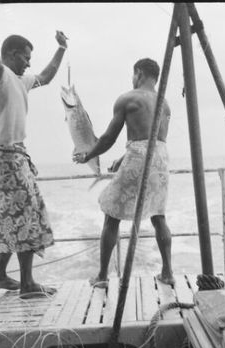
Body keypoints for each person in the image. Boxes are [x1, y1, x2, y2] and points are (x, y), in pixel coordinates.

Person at [0, 13, 68, 298]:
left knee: (12, 214)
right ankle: (28, 284)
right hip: (7, 156)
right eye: (25, 57)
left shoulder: (22, 79)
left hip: (14, 155)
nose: (29, 62)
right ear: (11, 54)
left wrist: (61, 48)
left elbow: (45, 76)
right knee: (26, 214)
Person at [73, 58, 175, 287]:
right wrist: (123, 158)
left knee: (111, 215)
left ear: (138, 73)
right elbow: (154, 140)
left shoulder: (129, 98)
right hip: (161, 159)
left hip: (139, 158)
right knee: (159, 215)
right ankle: (168, 272)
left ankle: (101, 276)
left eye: (133, 74)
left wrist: (88, 155)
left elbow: (109, 138)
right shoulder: (164, 103)